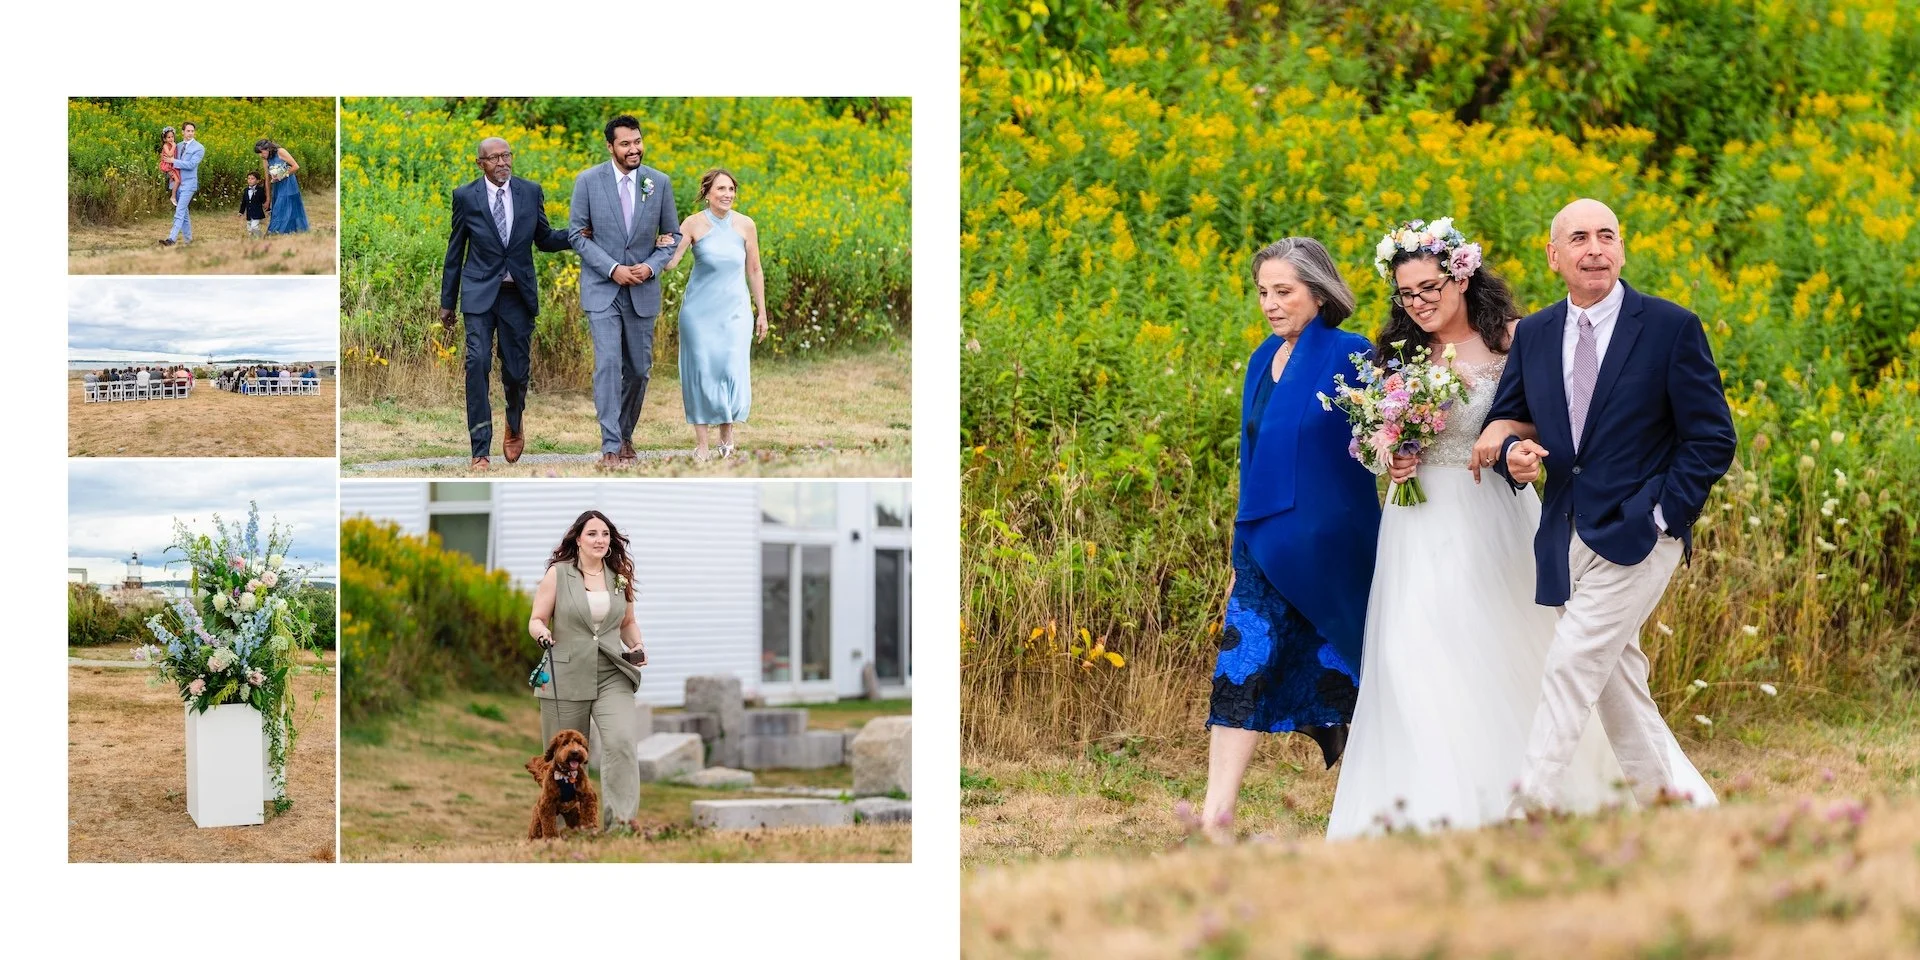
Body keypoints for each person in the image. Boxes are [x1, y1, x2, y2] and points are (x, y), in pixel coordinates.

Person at [1326, 219, 1633, 838]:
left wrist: (1514, 442)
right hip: (1413, 525)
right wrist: (1393, 455)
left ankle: (1527, 792)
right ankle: (1428, 806)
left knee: (1504, 649)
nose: (1420, 303)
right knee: (1409, 655)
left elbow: (1553, 424)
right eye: (1407, 294)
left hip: (1490, 514)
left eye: (1431, 286)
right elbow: (1373, 438)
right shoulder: (1396, 355)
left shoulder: (1515, 340)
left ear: (1461, 277)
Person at [1481, 198, 1735, 818]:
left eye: (1606, 236)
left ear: (1621, 248)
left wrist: (1663, 516)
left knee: (1572, 662)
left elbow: (1711, 436)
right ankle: (1673, 808)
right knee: (1618, 682)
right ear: (1554, 256)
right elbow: (1505, 418)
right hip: (1566, 532)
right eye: (1579, 238)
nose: (1594, 248)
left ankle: (1526, 813)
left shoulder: (1671, 327)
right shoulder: (1536, 333)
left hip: (1642, 532)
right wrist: (1513, 451)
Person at [1200, 237, 1381, 843]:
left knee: (1354, 676)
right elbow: (1249, 463)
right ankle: (1215, 818)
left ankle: (1376, 809)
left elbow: (1386, 447)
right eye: (1262, 293)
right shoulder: (1260, 359)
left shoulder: (1353, 354)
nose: (1271, 305)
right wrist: (1236, 555)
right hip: (1263, 549)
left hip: (1333, 553)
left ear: (1320, 292)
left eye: (1284, 292)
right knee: (1239, 669)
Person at [440, 136, 575, 470]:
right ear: (480, 163)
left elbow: (543, 239)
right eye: (494, 157)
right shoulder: (465, 197)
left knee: (516, 373)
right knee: (477, 364)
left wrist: (576, 235)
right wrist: (447, 302)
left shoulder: (530, 191)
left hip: (517, 294)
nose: (502, 162)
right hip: (478, 294)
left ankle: (514, 421)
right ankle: (480, 450)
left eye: (506, 155)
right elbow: (455, 252)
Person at [569, 114, 681, 468]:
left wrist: (651, 265)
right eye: (625, 144)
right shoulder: (587, 181)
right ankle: (610, 447)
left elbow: (672, 236)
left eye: (637, 142)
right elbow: (576, 235)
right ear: (610, 146)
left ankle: (626, 433)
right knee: (608, 364)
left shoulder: (658, 182)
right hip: (603, 289)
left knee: (638, 369)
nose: (634, 149)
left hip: (642, 289)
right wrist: (613, 269)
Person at [527, 510, 647, 831]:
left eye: (605, 534)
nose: (600, 540)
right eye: (592, 533)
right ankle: (569, 830)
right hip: (565, 674)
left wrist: (636, 646)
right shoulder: (559, 574)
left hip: (612, 672)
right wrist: (542, 633)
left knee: (621, 742)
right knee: (562, 761)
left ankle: (620, 826)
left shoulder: (620, 576)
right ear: (578, 538)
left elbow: (628, 623)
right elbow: (536, 618)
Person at [664, 168, 768, 461]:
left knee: (729, 369)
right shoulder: (693, 224)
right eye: (721, 189)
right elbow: (671, 263)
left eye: (731, 189)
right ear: (707, 192)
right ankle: (702, 445)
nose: (727, 195)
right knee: (701, 372)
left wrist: (762, 313)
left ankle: (727, 434)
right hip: (698, 313)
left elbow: (755, 269)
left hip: (735, 311)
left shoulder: (746, 225)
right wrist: (660, 246)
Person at [160, 121, 203, 246]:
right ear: (183, 132)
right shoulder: (176, 145)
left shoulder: (199, 148)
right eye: (188, 131)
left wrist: (174, 161)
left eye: (192, 131)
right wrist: (167, 170)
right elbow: (168, 161)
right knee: (183, 213)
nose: (190, 133)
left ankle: (171, 239)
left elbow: (191, 165)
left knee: (179, 211)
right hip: (176, 183)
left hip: (188, 184)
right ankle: (188, 241)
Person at [256, 138, 310, 234]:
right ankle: (285, 231)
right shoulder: (265, 159)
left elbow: (295, 166)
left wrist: (281, 175)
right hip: (277, 186)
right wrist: (268, 199)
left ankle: (275, 232)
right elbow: (267, 179)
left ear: (267, 149)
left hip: (289, 183)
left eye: (261, 152)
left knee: (283, 207)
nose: (261, 155)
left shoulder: (281, 152)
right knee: (277, 207)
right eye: (259, 154)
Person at [239, 171, 267, 238]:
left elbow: (264, 200)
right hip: (249, 213)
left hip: (257, 213)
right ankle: (252, 240)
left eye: (252, 178)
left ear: (257, 181)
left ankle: (260, 237)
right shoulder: (246, 190)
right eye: (248, 178)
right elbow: (244, 202)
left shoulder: (260, 190)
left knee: (254, 227)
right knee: (249, 229)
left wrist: (268, 209)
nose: (250, 180)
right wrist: (241, 212)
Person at [158, 127, 180, 202]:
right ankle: (173, 197)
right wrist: (174, 146)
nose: (171, 139)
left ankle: (174, 194)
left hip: (172, 165)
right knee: (177, 181)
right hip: (167, 167)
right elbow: (170, 155)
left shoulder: (172, 145)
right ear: (165, 139)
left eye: (172, 137)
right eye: (169, 137)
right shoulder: (165, 145)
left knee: (177, 180)